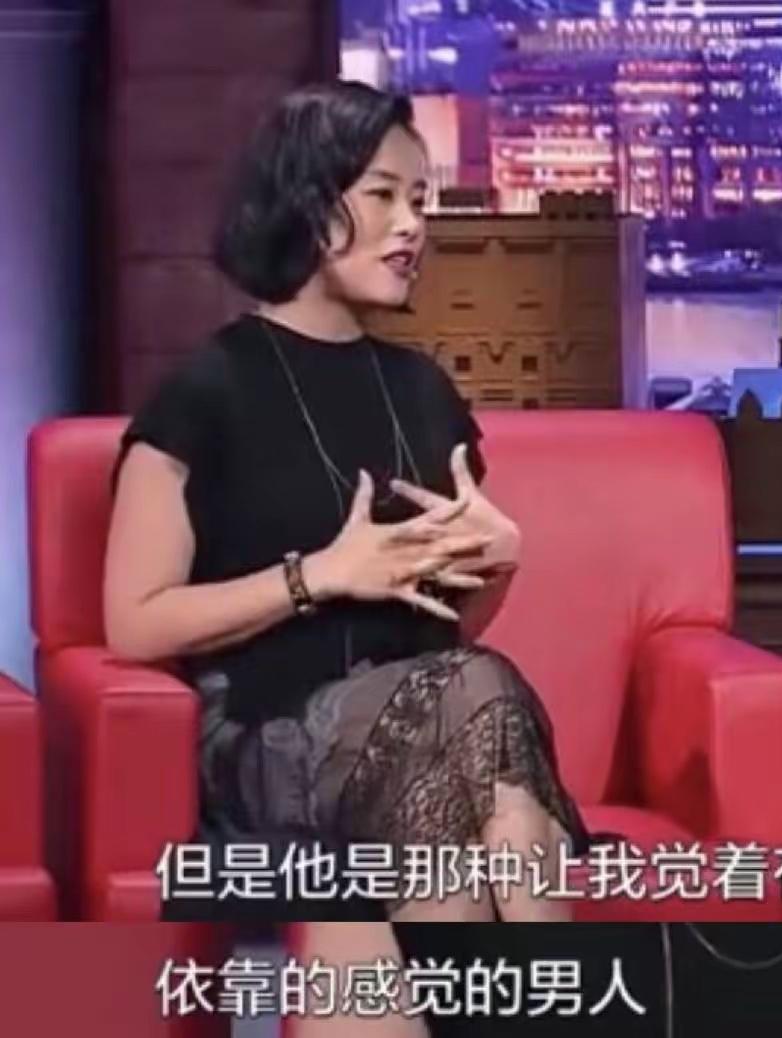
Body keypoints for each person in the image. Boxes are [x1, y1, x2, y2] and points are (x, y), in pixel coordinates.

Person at [103, 81, 590, 923]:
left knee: (468, 796)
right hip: (265, 736)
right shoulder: (205, 392)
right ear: (309, 205)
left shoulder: (424, 392)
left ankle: (517, 988)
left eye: (420, 202)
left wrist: (499, 563)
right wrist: (318, 576)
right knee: (482, 716)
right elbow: (134, 622)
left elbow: (441, 632)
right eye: (384, 196)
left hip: (424, 724)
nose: (412, 227)